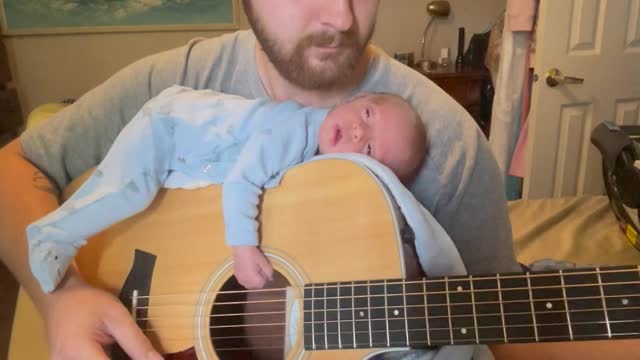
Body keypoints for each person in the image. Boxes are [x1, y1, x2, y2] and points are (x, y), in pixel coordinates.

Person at [1, 1, 632, 359]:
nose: (339, 12)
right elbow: (11, 168)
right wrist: (61, 300)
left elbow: (499, 327)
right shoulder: (172, 85)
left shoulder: (449, 144)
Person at [26, 86, 427, 293]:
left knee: (142, 199)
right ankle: (49, 236)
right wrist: (243, 248)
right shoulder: (294, 129)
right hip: (170, 128)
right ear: (353, 99)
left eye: (370, 147)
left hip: (188, 155)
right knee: (127, 191)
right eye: (367, 113)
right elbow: (242, 180)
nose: (358, 130)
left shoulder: (315, 164)